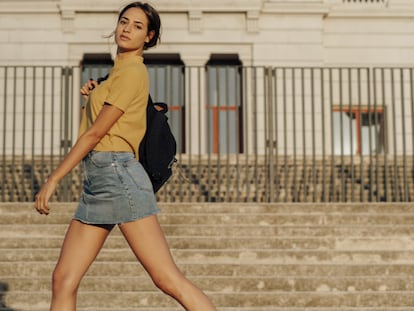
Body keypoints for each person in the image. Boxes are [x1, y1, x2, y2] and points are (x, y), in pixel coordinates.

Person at [34, 2, 217, 311]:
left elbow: (95, 135)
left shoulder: (132, 72)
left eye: (137, 26)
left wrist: (54, 178)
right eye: (124, 21)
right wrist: (93, 96)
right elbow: (95, 127)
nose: (127, 29)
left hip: (120, 176)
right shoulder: (114, 75)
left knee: (166, 278)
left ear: (149, 36)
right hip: (99, 180)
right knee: (63, 279)